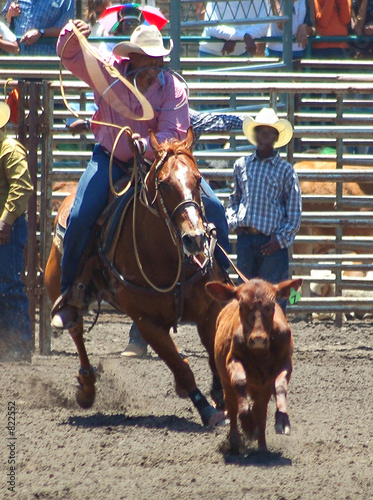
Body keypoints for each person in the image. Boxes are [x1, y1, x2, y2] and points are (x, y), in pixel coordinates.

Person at [51, 21, 230, 329]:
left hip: (161, 164)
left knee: (214, 209)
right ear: (132, 57)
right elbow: (69, 57)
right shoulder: (107, 71)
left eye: (160, 59)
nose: (157, 65)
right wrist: (71, 33)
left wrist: (146, 145)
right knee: (80, 215)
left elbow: (172, 134)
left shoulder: (173, 88)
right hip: (112, 160)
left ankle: (224, 284)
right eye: (150, 59)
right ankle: (70, 294)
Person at [226, 107, 302, 312]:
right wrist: (235, 222)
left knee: (274, 298)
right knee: (244, 296)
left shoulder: (286, 170)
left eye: (269, 131)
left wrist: (280, 240)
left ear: (275, 136)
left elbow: (294, 213)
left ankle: (276, 337)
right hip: (246, 240)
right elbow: (234, 200)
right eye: (261, 130)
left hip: (272, 243)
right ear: (256, 134)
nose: (264, 135)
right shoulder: (242, 165)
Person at [0, 102, 34, 362]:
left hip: (6, 229)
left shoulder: (9, 149)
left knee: (9, 285)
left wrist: (6, 220)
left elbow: (21, 187)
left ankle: (19, 347)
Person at [2, 0, 75, 55]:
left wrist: (41, 32)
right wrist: (10, 13)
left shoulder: (66, 1)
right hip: (18, 61)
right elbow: (6, 19)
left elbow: (67, 29)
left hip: (46, 62)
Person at [199, 0, 269, 57]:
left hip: (242, 52)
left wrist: (234, 37)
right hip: (211, 52)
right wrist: (241, 36)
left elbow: (263, 26)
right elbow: (211, 26)